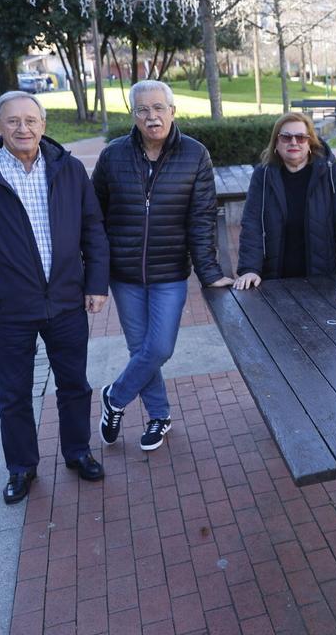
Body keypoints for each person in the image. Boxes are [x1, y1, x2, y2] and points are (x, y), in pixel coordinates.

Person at [0, 91, 110, 504]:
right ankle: (21, 467)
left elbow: (93, 229)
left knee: (75, 385)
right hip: (7, 309)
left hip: (66, 300)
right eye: (13, 121)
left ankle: (78, 451)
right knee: (14, 393)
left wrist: (96, 283)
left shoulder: (69, 170)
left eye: (31, 120)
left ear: (43, 125)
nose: (23, 128)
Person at [92, 80, 233, 452]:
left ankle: (114, 397)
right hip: (124, 273)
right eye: (143, 109)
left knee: (158, 348)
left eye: (158, 108)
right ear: (133, 114)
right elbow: (94, 216)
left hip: (169, 272)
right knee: (139, 348)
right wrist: (95, 274)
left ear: (172, 111)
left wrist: (210, 272)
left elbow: (201, 218)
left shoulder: (195, 154)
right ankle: (159, 416)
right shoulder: (113, 155)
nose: (151, 116)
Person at [233, 112, 336, 289]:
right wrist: (249, 269)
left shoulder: (329, 171)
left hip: (323, 278)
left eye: (300, 137)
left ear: (310, 143)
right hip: (274, 278)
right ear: (276, 143)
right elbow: (252, 223)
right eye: (286, 137)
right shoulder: (263, 174)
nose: (293, 142)